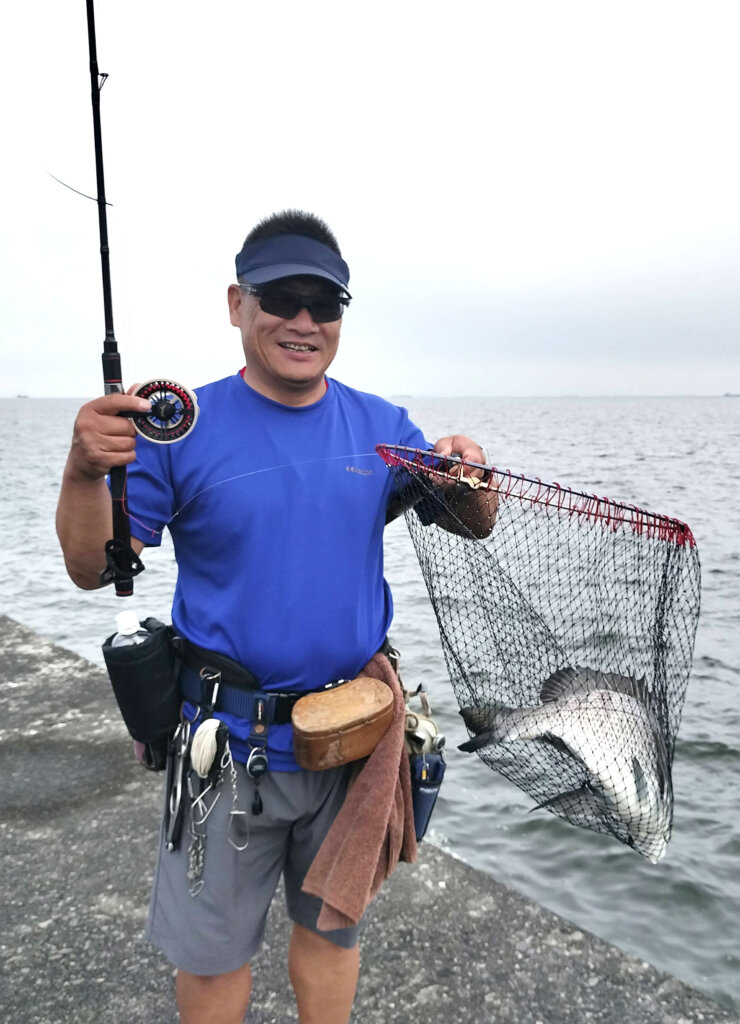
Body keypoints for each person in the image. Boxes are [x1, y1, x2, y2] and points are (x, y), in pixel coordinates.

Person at [56, 210, 494, 1024]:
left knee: (333, 932)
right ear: (236, 304)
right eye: (280, 298)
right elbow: (92, 568)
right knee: (213, 957)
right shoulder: (179, 429)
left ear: (340, 318)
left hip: (353, 740)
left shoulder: (381, 428)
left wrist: (469, 469)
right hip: (228, 746)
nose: (303, 321)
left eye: (323, 305)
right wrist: (85, 470)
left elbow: (472, 521)